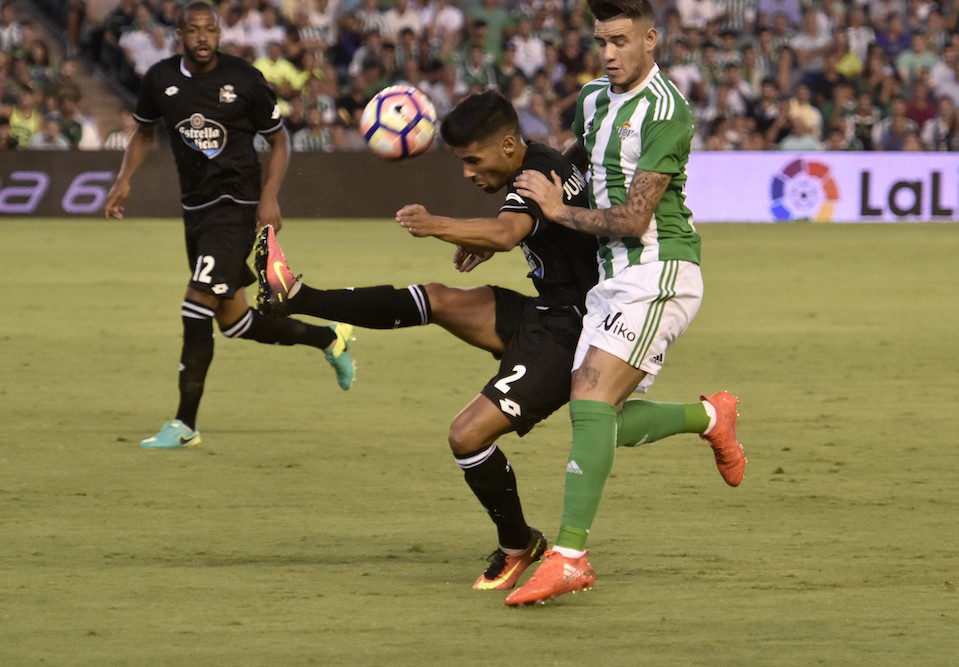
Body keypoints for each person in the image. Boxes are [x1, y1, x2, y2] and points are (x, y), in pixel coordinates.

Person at [255, 90, 596, 591]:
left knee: (467, 435)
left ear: (506, 146)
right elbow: (520, 226)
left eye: (472, 161)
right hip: (550, 311)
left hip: (572, 330)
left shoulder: (535, 174)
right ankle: (297, 296)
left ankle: (519, 545)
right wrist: (490, 239)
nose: (467, 173)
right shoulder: (541, 157)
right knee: (438, 297)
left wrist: (434, 225)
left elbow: (506, 232)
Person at [507, 0, 746, 606]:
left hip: (660, 269)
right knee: (600, 419)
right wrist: (523, 220)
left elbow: (636, 215)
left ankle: (568, 557)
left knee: (588, 403)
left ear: (651, 39)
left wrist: (557, 211)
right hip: (611, 279)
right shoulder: (591, 99)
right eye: (600, 42)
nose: (609, 54)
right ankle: (711, 417)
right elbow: (580, 163)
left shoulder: (668, 112)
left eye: (619, 41)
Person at [103, 1, 354, 450]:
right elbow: (143, 132)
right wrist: (123, 179)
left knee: (194, 305)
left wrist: (270, 196)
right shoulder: (160, 79)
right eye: (193, 30)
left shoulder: (244, 80)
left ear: (220, 34)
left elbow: (279, 141)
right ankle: (330, 337)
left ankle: (184, 425)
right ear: (179, 35)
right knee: (234, 321)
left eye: (210, 30)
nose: (202, 37)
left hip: (236, 202)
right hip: (196, 208)